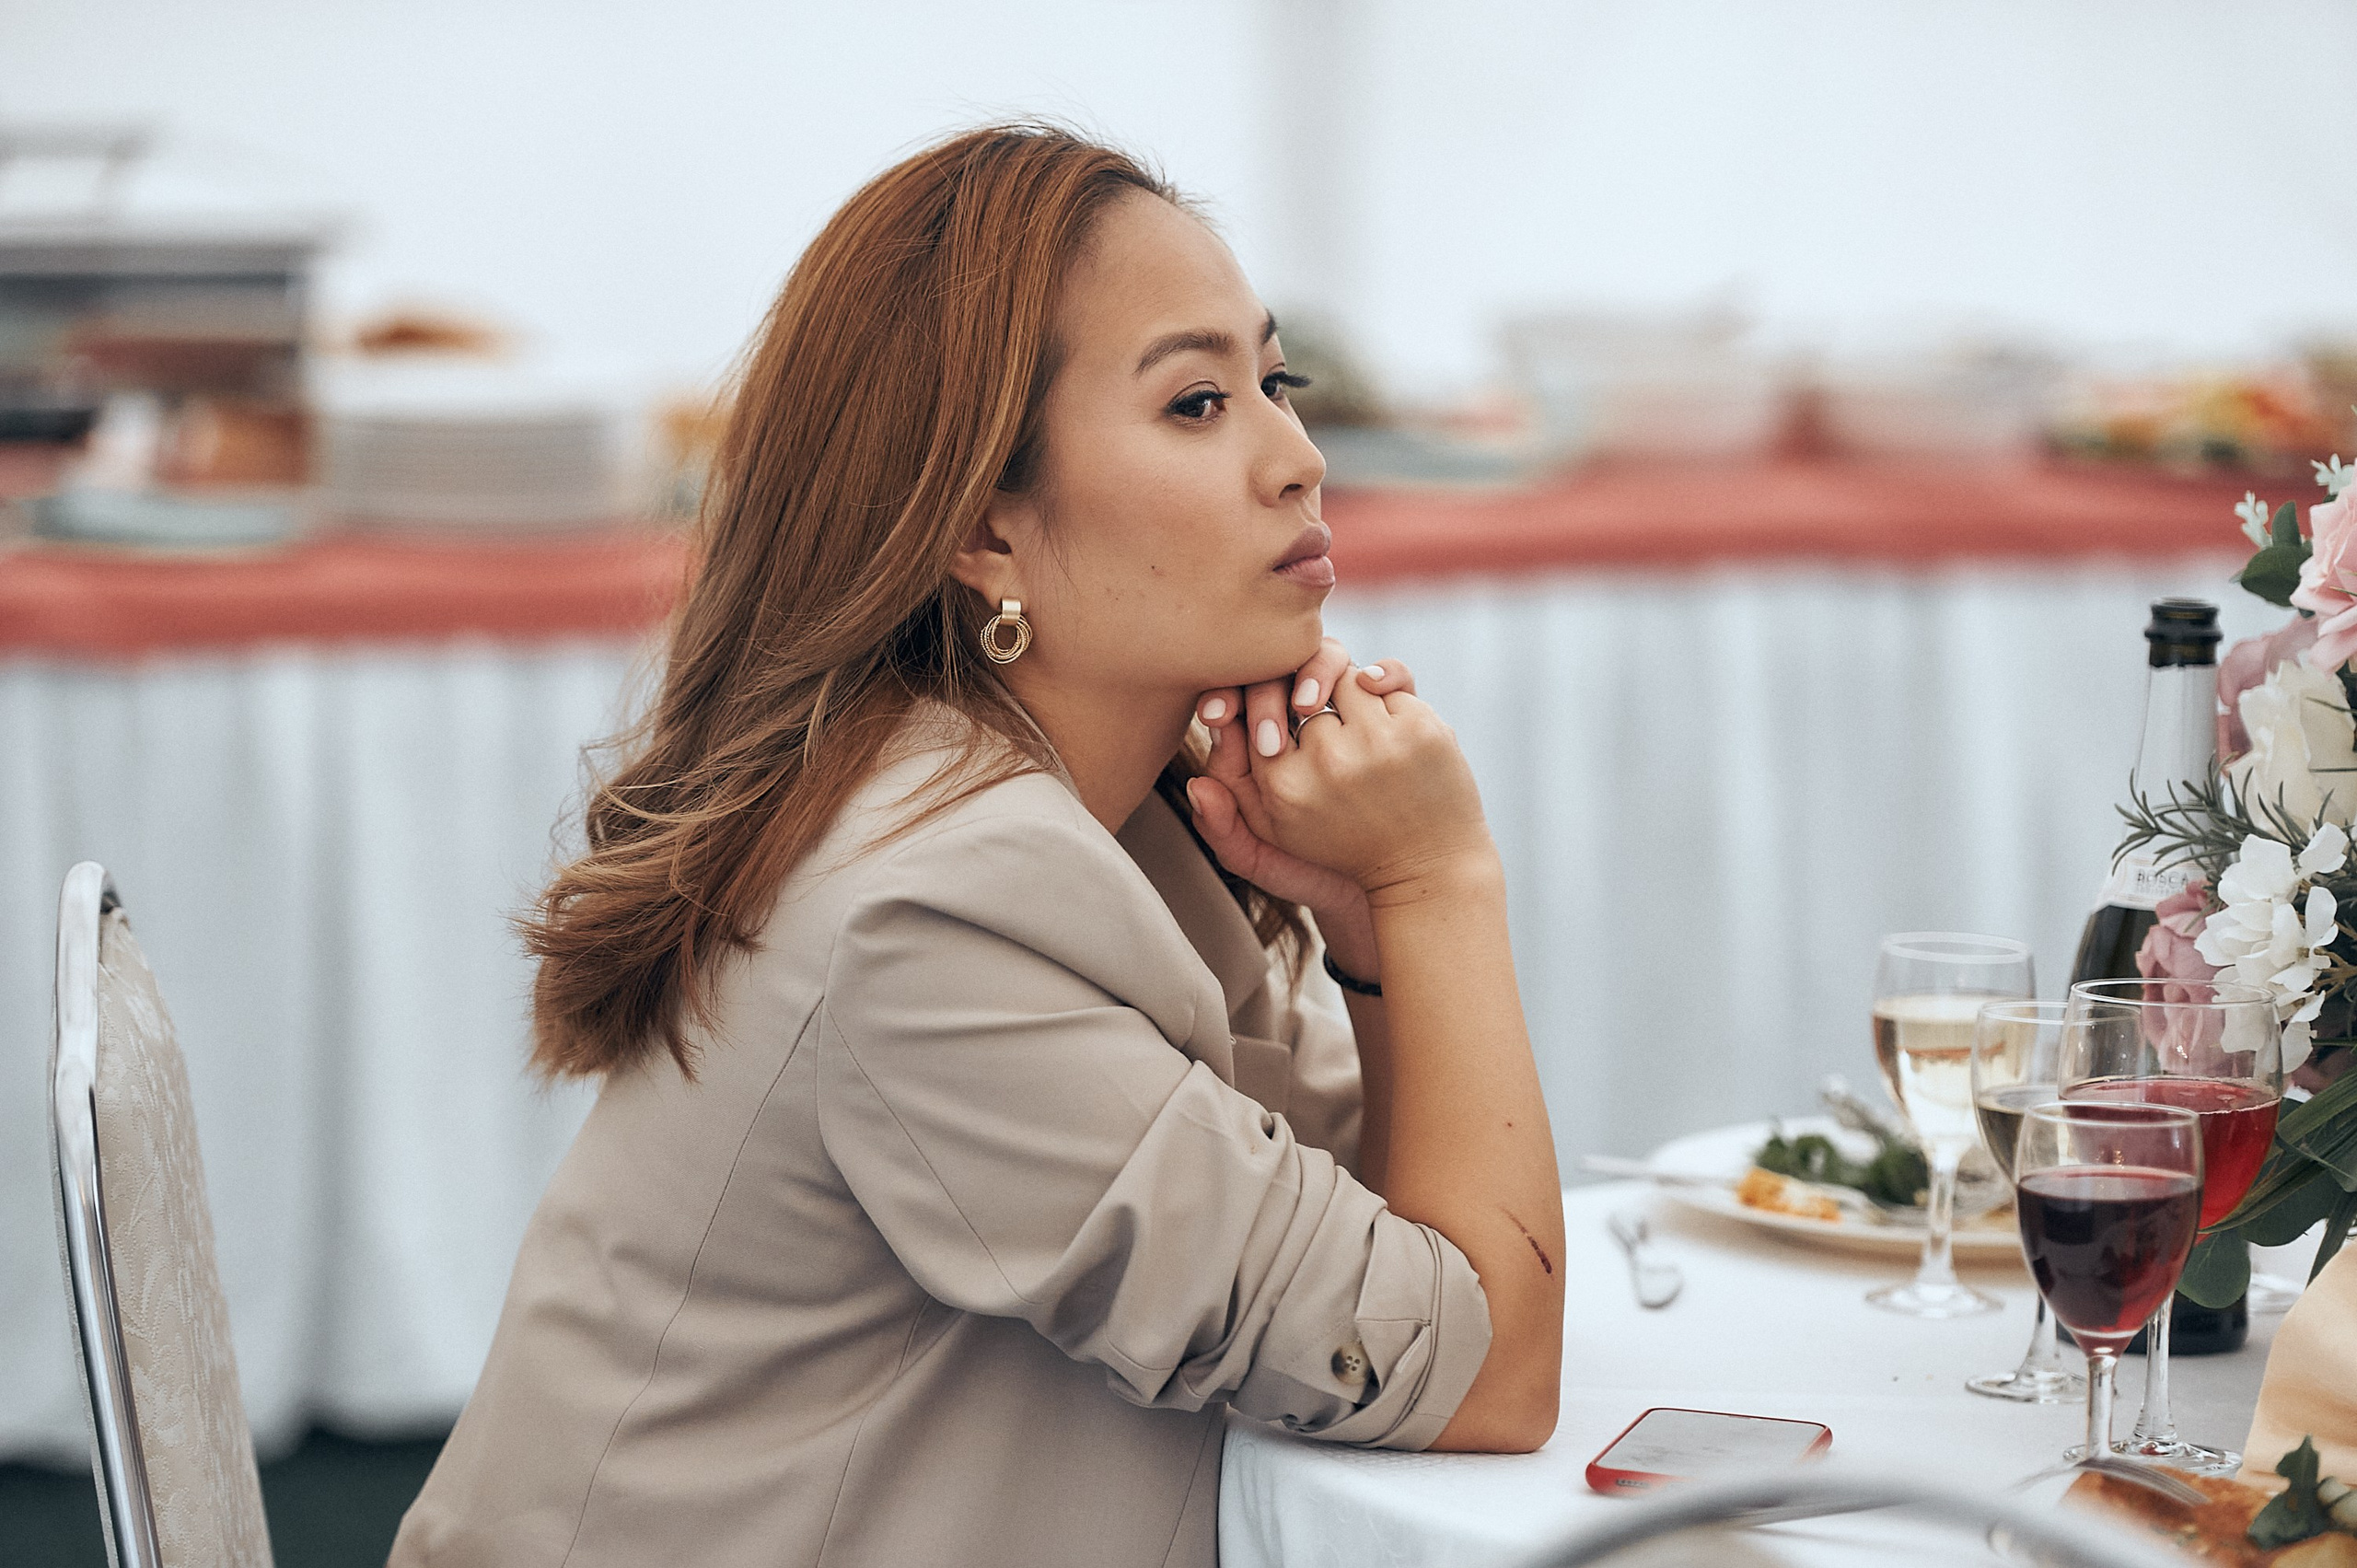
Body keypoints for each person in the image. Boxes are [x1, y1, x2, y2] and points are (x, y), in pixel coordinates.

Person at [390, 123, 1562, 1568]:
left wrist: (1380, 956)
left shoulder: (1101, 823)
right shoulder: (940, 909)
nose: (1299, 459)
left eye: (1278, 382)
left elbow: (1397, 1252)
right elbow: (1481, 1370)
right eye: (1198, 405)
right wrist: (1437, 883)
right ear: (983, 532)